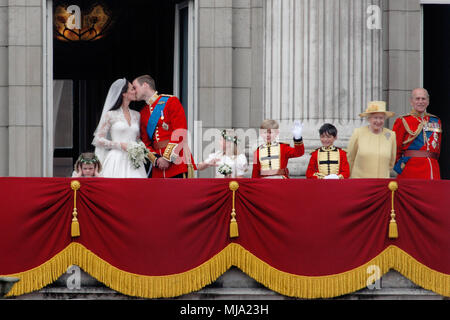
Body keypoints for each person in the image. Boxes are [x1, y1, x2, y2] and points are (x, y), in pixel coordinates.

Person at [133, 75, 196, 178]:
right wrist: (157, 159)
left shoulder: (171, 101)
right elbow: (145, 142)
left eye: (135, 87)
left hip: (177, 163)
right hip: (158, 168)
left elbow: (180, 132)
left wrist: (167, 158)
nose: (134, 91)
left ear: (145, 85)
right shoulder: (143, 112)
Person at [92, 78, 147, 178]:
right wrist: (120, 145)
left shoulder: (137, 115)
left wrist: (140, 148)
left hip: (134, 160)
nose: (135, 91)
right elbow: (98, 140)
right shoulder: (110, 115)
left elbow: (138, 138)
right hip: (116, 159)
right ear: (124, 94)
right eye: (132, 89)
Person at [392, 88, 442, 179]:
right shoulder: (403, 121)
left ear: (428, 101)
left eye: (423, 99)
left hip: (432, 168)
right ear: (411, 101)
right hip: (411, 170)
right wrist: (401, 166)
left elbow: (437, 150)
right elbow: (395, 148)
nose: (420, 101)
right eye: (417, 99)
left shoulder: (436, 121)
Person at [346, 101, 397, 178]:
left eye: (381, 118)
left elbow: (391, 162)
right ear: (369, 118)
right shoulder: (358, 133)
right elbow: (350, 158)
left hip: (382, 183)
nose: (378, 121)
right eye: (375, 118)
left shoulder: (390, 135)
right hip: (360, 182)